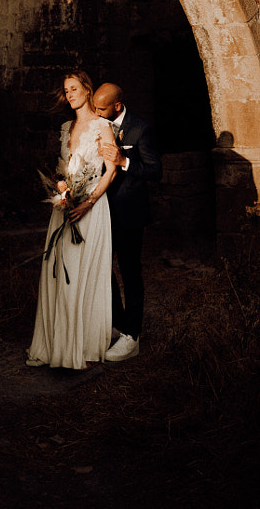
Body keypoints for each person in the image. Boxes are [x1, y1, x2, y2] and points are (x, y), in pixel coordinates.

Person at [26, 71, 118, 370]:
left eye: (75, 88)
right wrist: (61, 189)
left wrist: (88, 202)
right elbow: (64, 169)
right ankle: (56, 345)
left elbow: (110, 170)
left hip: (90, 209)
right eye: (66, 90)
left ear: (87, 90)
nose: (70, 94)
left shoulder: (103, 126)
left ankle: (84, 345)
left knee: (81, 274)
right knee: (58, 274)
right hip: (65, 209)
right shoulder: (66, 128)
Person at [93, 83, 163, 362]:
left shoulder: (140, 129)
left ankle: (132, 336)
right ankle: (119, 324)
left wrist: (124, 160)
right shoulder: (99, 125)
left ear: (117, 107)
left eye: (101, 108)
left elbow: (155, 171)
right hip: (101, 211)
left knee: (130, 273)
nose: (96, 113)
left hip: (130, 213)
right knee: (101, 268)